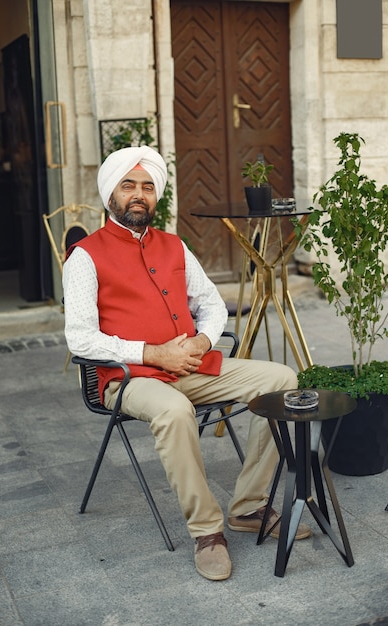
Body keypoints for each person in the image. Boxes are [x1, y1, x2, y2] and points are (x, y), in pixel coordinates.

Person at [63, 146, 311, 581]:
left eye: (147, 186)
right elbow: (79, 337)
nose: (139, 195)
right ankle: (207, 532)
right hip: (130, 379)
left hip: (192, 369)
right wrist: (155, 353)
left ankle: (250, 506)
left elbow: (213, 306)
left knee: (282, 378)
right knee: (175, 411)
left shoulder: (174, 246)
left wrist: (200, 340)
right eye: (128, 185)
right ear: (110, 195)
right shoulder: (85, 256)